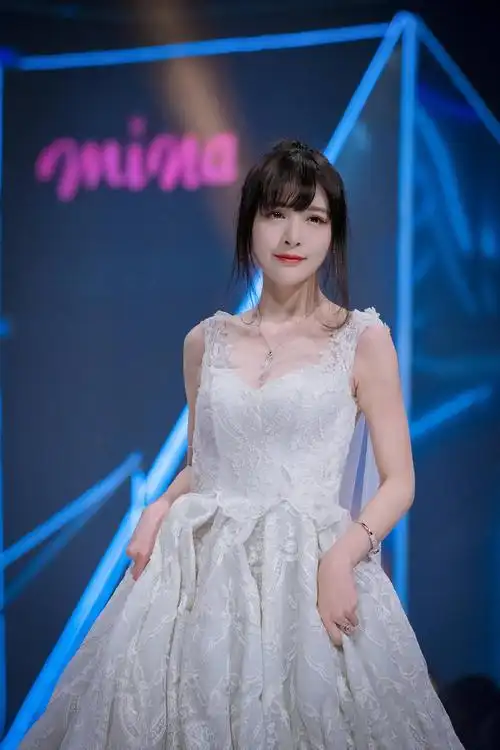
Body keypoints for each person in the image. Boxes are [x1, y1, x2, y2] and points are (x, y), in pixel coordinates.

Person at [20, 139, 464, 749]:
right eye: (275, 213)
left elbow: (400, 481)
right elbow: (204, 465)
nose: (292, 235)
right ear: (249, 224)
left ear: (333, 233)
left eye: (313, 218)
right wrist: (158, 506)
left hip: (309, 573)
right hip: (199, 577)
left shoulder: (362, 340)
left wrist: (341, 558)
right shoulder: (204, 342)